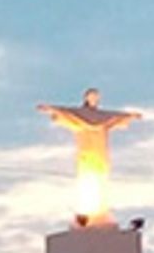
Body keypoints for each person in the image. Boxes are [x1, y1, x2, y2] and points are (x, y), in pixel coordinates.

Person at [37, 89, 140, 227]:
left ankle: (101, 214)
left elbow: (115, 116)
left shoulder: (102, 116)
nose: (94, 99)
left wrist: (130, 116)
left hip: (100, 149)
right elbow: (67, 112)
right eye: (92, 97)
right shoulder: (80, 115)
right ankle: (87, 217)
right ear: (86, 98)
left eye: (96, 97)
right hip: (86, 150)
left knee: (100, 174)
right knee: (88, 175)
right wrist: (51, 109)